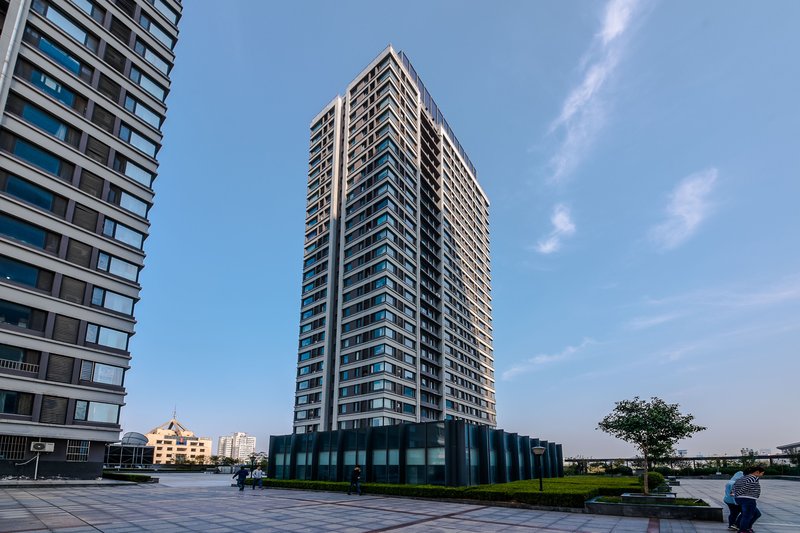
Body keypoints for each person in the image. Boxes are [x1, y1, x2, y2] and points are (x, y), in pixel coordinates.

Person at [732, 465, 765, 533]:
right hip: (748, 499)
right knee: (747, 516)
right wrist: (738, 494)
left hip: (741, 499)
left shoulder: (742, 478)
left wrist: (736, 495)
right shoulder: (753, 478)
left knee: (756, 514)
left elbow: (734, 486)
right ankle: (743, 530)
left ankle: (746, 527)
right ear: (757, 472)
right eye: (762, 473)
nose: (762, 475)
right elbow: (746, 487)